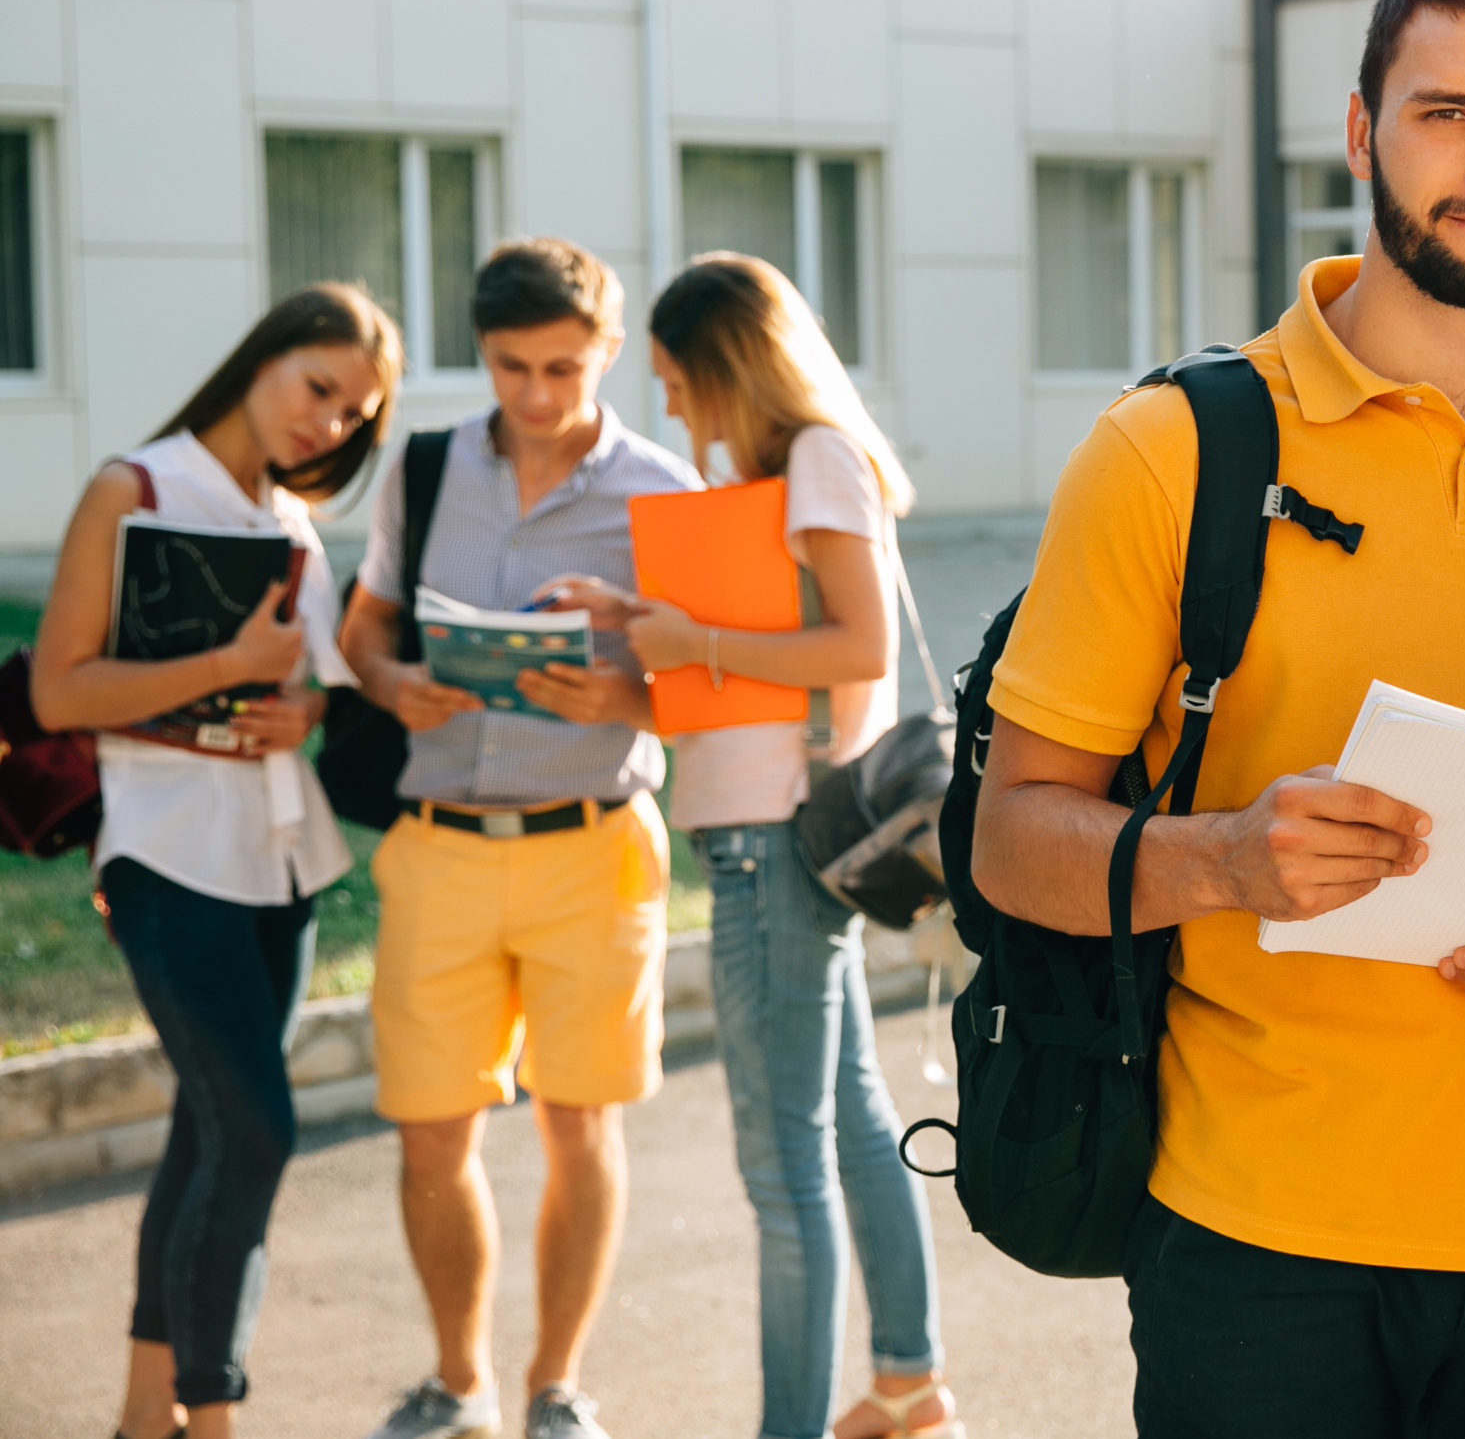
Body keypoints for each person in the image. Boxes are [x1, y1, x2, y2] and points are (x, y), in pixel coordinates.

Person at [971, 0, 1465, 1433]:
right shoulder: (1168, 451)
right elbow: (1015, 840)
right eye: (1448, 112)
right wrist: (1226, 859)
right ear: (1360, 130)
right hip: (1252, 1241)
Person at [542, 252, 958, 1439]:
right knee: (853, 1121)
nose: (671, 408)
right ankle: (908, 1381)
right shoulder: (799, 469)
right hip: (772, 829)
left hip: (773, 842)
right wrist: (641, 627)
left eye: (679, 380)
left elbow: (856, 650)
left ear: (731, 365)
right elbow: (783, 644)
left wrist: (698, 638)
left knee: (784, 1172)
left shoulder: (819, 458)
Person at [340, 238, 699, 1439]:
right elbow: (364, 631)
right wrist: (394, 686)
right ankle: (459, 1382)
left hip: (591, 842)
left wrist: (629, 698)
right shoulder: (426, 469)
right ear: (481, 354)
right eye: (510, 367)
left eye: (561, 366)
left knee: (577, 1122)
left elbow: (716, 685)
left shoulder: (663, 489)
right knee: (433, 1130)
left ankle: (556, 1384)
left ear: (606, 353)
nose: (537, 394)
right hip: (438, 839)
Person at [29, 284, 401, 1439]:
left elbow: (295, 687)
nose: (329, 423)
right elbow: (59, 690)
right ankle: (215, 1408)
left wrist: (291, 706)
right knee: (257, 1129)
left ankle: (149, 1411)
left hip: (280, 864)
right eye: (318, 388)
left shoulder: (288, 521)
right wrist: (228, 663)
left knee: (210, 1128)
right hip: (166, 855)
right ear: (264, 359)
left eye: (355, 413)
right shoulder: (132, 488)